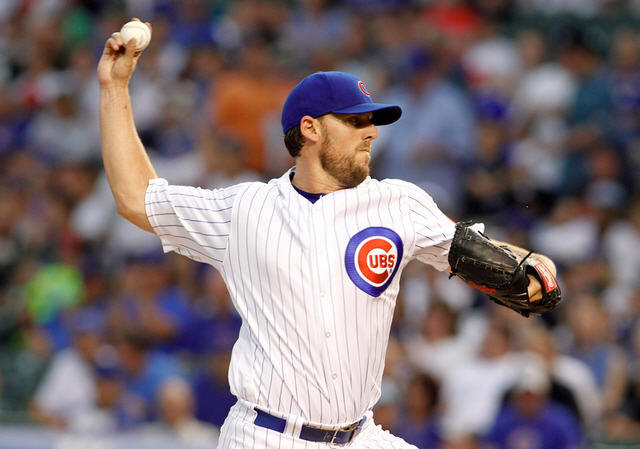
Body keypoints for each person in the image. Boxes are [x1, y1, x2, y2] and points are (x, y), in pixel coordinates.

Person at [98, 19, 559, 449]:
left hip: (361, 434)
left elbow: (485, 255)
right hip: (267, 435)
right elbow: (137, 198)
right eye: (356, 121)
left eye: (372, 121)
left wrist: (530, 267)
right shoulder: (245, 210)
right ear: (310, 128)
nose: (371, 132)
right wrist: (114, 86)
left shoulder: (399, 203)